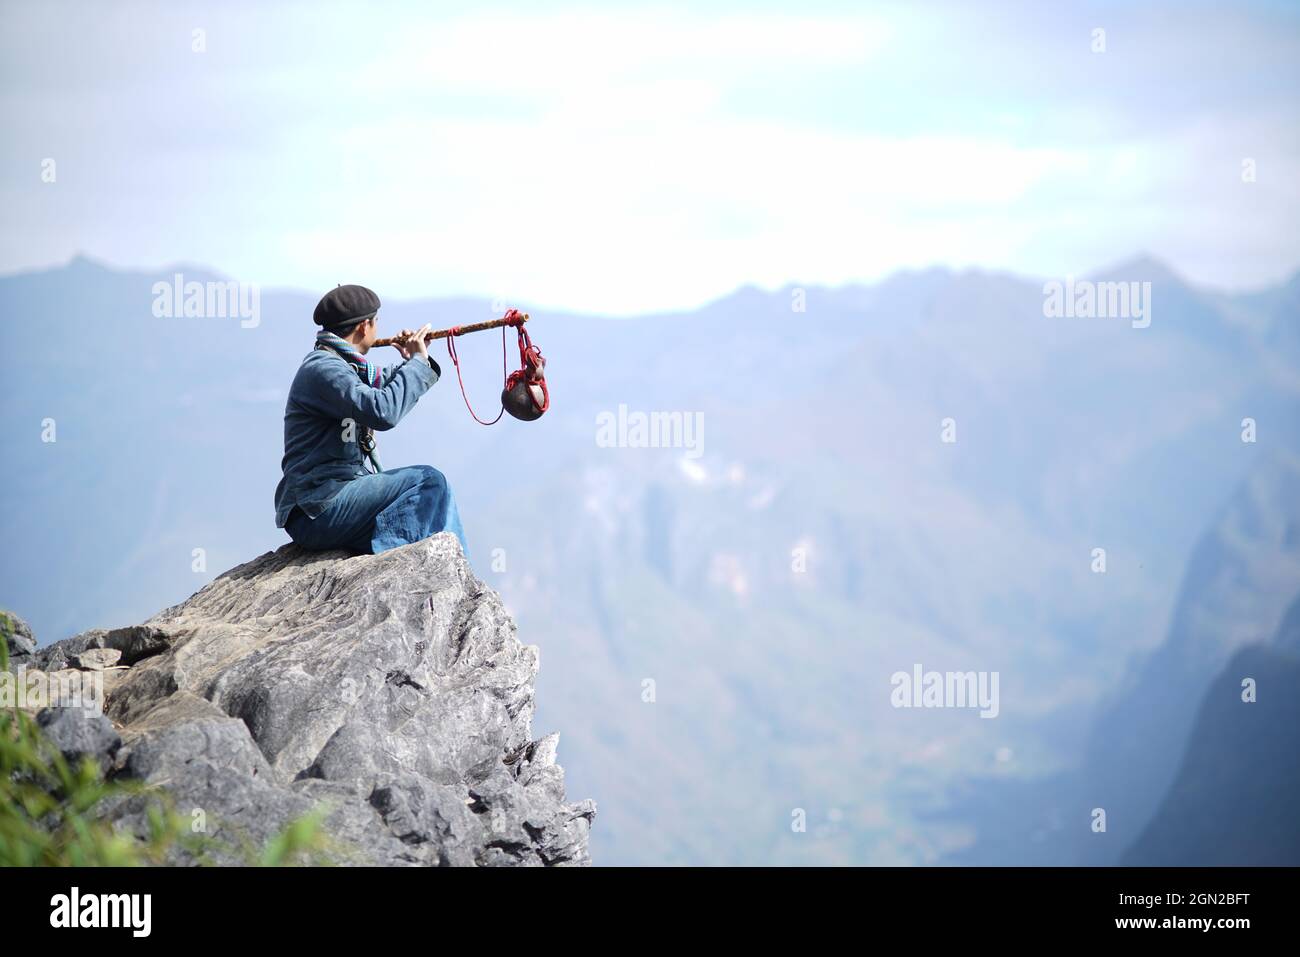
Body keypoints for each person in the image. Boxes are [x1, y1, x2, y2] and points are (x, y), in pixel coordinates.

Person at [273, 284, 469, 560]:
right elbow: (382, 410)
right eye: (376, 322)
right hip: (318, 508)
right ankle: (416, 564)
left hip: (327, 503)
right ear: (365, 327)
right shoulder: (323, 369)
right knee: (429, 481)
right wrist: (416, 362)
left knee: (430, 501)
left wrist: (415, 358)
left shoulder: (339, 365)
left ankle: (443, 568)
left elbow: (380, 385)